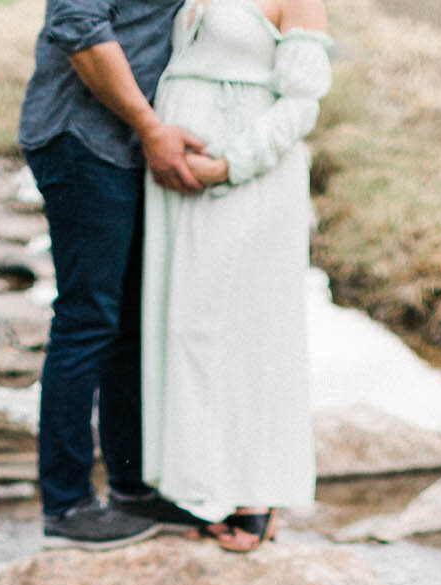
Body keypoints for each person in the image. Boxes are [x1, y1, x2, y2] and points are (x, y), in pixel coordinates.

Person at [20, 0, 224, 549]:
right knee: (88, 320)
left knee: (130, 327)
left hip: (128, 147)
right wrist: (152, 126)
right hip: (84, 138)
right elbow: (77, 27)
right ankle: (66, 504)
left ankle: (131, 488)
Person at [141, 0, 333, 550]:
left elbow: (301, 103)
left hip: (248, 177)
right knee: (185, 327)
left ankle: (256, 492)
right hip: (179, 180)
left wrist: (231, 163)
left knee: (245, 328)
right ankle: (201, 487)